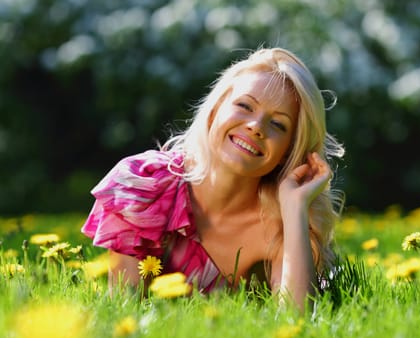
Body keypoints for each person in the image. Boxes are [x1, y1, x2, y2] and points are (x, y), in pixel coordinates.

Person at [82, 47, 345, 310]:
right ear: (216, 108)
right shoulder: (145, 187)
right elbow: (123, 308)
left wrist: (294, 206)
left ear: (289, 150)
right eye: (244, 106)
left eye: (278, 124)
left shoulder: (282, 222)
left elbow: (296, 319)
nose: (256, 126)